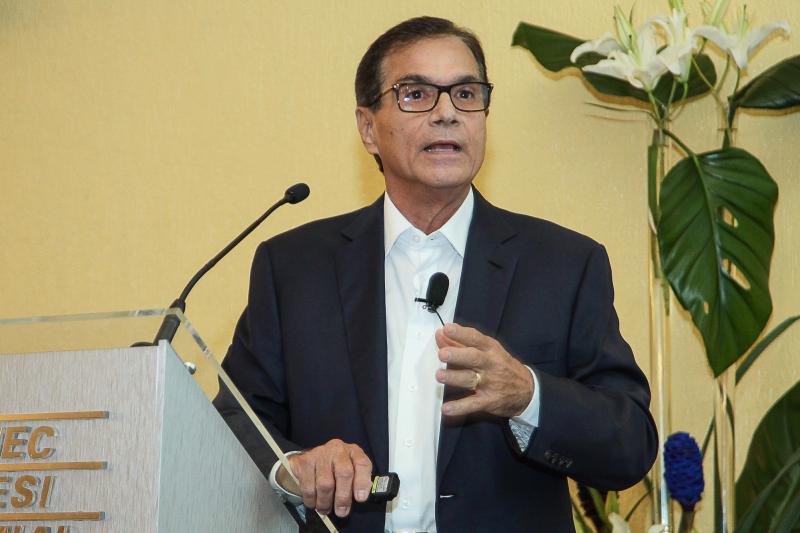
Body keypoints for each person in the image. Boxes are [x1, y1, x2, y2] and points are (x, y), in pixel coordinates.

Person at [215, 16, 658, 533]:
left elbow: (630, 444)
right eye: (416, 94)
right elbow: (233, 421)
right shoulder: (294, 267)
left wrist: (529, 396)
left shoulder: (563, 264)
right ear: (368, 128)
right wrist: (294, 466)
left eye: (466, 94)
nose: (447, 113)